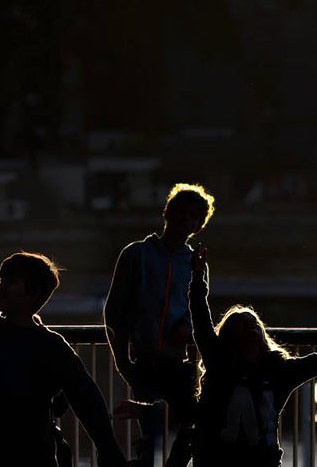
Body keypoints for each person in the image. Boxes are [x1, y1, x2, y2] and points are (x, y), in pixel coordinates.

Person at [187, 244, 317, 467]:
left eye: (253, 323)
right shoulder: (219, 361)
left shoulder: (278, 370)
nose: (249, 327)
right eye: (240, 325)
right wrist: (198, 278)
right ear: (228, 338)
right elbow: (200, 320)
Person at [0, 251, 126, 467]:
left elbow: (87, 400)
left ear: (34, 292)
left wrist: (107, 448)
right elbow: (88, 400)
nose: (1, 287)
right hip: (36, 453)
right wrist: (108, 449)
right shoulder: (52, 346)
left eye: (10, 282)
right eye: (1, 280)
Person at [104, 182, 215, 467]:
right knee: (152, 437)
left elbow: (200, 310)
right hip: (145, 361)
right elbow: (114, 312)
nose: (184, 219)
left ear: (198, 226)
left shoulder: (194, 262)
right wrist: (122, 361)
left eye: (193, 216)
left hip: (181, 365)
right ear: (167, 212)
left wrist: (187, 328)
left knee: (189, 430)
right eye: (180, 211)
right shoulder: (136, 254)